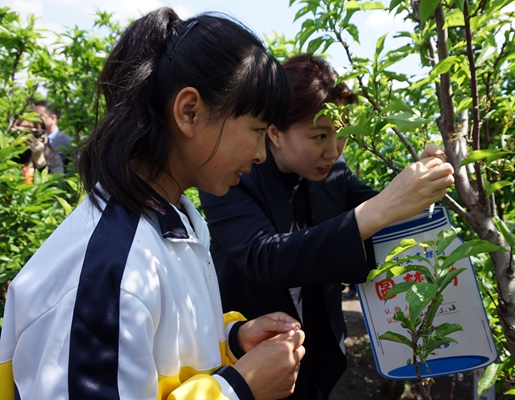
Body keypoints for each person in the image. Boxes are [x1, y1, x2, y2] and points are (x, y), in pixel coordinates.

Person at [0, 8, 306, 400]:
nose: (261, 154)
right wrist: (239, 388)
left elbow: (155, 353)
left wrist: (231, 339)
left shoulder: (173, 221)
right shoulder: (108, 276)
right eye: (257, 130)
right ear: (189, 112)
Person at [199, 54, 455, 399]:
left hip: (318, 348)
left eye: (341, 134)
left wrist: (424, 183)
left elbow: (386, 215)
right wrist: (385, 205)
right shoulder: (233, 175)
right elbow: (266, 257)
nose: (333, 151)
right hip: (251, 355)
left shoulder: (333, 170)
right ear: (275, 132)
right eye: (319, 136)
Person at [11, 116, 64, 182]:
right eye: (25, 131)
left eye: (35, 133)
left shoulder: (52, 156)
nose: (29, 136)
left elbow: (59, 184)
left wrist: (40, 161)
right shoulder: (10, 154)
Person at [34, 100, 74, 167]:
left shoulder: (69, 143)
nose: (34, 119)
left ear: (53, 118)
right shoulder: (30, 139)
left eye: (39, 116)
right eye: (32, 115)